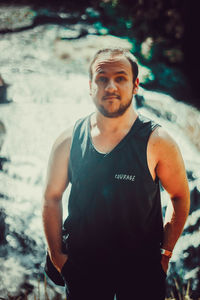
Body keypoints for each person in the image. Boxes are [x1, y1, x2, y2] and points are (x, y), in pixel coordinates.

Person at [42, 48, 190, 300]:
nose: (110, 85)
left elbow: (179, 196)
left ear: (135, 85)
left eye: (120, 77)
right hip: (83, 270)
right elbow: (51, 198)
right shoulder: (69, 139)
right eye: (102, 78)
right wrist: (57, 256)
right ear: (91, 86)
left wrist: (165, 254)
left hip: (141, 272)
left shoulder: (158, 141)